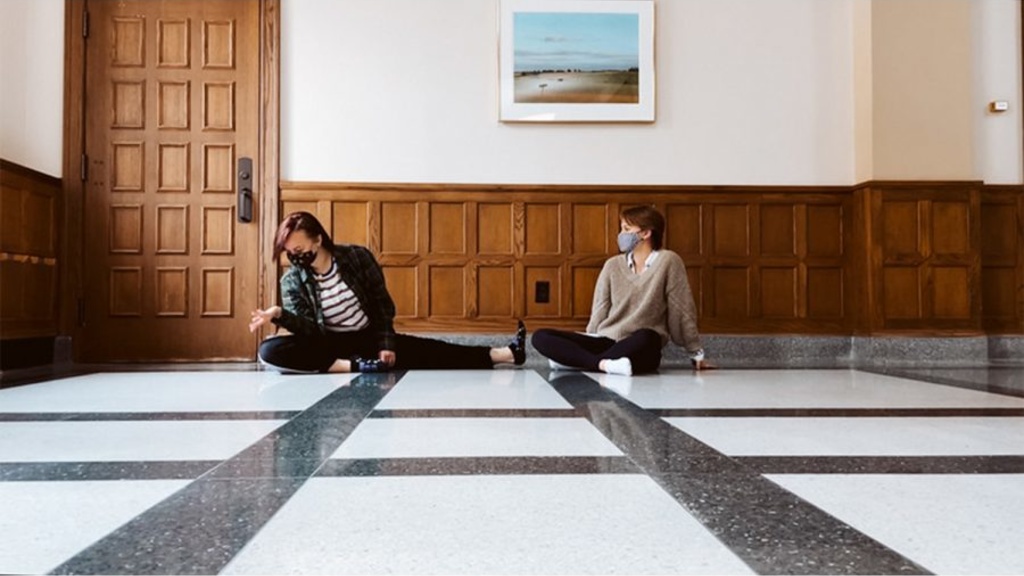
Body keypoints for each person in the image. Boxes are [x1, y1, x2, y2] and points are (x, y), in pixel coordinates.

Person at [249, 211, 526, 373]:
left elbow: (382, 305)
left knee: (429, 352)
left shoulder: (357, 258)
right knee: (270, 349)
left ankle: (506, 354)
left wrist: (386, 344)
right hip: (329, 345)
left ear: (318, 239)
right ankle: (352, 367)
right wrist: (280, 315)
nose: (295, 258)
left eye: (299, 251)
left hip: (368, 337)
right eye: (289, 254)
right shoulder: (292, 282)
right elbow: (311, 331)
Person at [531, 205, 712, 376]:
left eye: (626, 229)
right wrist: (589, 337)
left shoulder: (669, 261)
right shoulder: (612, 265)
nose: (621, 234)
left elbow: (681, 309)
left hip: (641, 344)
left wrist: (695, 352)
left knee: (648, 337)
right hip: (606, 341)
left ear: (646, 233)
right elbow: (600, 308)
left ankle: (577, 361)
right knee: (540, 336)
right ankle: (602, 364)